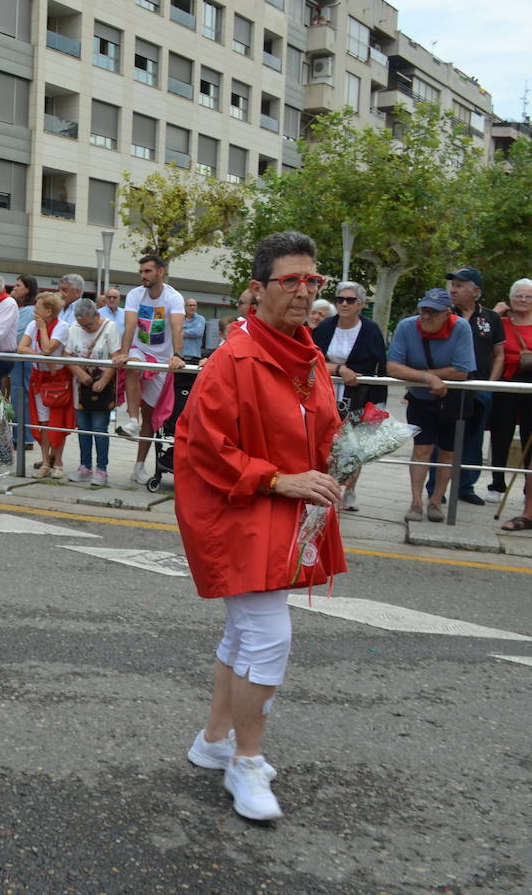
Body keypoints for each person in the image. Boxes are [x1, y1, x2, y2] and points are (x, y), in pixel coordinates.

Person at [176, 231, 346, 822]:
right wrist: (282, 480)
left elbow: (319, 426)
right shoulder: (233, 358)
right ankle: (245, 762)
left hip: (275, 506)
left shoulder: (306, 350)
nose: (304, 292)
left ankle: (215, 741)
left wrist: (339, 462)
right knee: (268, 636)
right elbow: (204, 447)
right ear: (257, 289)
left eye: (312, 281)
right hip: (238, 510)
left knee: (246, 632)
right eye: (290, 280)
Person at [385, 288, 476, 523]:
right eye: (424, 310)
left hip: (452, 399)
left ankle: (436, 500)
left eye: (433, 312)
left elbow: (461, 370)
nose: (426, 316)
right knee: (421, 449)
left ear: (447, 313)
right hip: (421, 397)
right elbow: (393, 367)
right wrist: (427, 378)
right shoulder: (407, 326)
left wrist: (421, 374)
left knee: (448, 451)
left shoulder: (460, 327)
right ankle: (416, 502)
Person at [310, 281, 388, 512]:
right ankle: (326, 489)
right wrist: (338, 369)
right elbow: (311, 358)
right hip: (326, 391)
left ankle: (349, 489)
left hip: (359, 394)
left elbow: (380, 366)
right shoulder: (324, 327)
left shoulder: (371, 330)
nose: (344, 304)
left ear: (361, 304)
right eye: (340, 299)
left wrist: (378, 407)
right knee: (326, 443)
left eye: (350, 300)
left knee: (353, 446)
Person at [112, 254, 186, 484]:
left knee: (151, 419)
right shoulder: (135, 294)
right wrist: (124, 352)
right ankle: (131, 420)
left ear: (161, 271)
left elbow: (176, 327)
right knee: (132, 364)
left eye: (148, 271)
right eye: (141, 272)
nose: (143, 276)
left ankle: (139, 466)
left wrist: (177, 355)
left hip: (162, 360)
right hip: (140, 350)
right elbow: (131, 324)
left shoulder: (174, 297)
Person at [433, 268, 504, 507]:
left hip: (478, 387)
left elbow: (499, 354)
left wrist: (489, 386)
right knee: (440, 440)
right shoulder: (441, 313)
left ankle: (466, 487)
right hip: (446, 387)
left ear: (476, 291)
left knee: (473, 441)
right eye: (453, 285)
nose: (454, 289)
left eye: (461, 285)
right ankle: (436, 490)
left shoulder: (491, 318)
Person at [489, 278, 532, 513]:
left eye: (528, 296)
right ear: (510, 298)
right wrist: (495, 312)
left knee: (529, 436)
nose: (523, 300)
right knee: (500, 433)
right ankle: (496, 483)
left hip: (531, 386)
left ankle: (529, 487)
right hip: (506, 382)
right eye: (518, 295)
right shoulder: (500, 322)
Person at [18, 292, 72, 478]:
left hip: (58, 380)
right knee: (43, 422)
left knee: (57, 422)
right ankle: (46, 462)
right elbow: (21, 348)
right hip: (40, 377)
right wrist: (42, 357)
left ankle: (58, 463)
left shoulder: (62, 326)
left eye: (38, 307)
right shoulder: (33, 324)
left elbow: (49, 348)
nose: (35, 310)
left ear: (49, 311)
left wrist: (42, 330)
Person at [66, 298, 119, 486]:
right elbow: (68, 355)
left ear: (97, 315)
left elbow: (116, 357)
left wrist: (104, 380)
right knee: (83, 428)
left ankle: (101, 469)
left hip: (102, 388)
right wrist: (81, 375)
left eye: (88, 324)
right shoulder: (75, 328)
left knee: (99, 428)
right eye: (83, 326)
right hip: (81, 387)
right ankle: (84, 466)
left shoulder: (110, 327)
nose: (86, 329)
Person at [10, 275, 39, 448]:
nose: (15, 288)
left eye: (18, 285)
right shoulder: (18, 308)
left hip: (22, 360)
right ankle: (18, 435)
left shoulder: (29, 311)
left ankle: (25, 437)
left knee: (22, 397)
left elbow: (18, 334)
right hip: (15, 360)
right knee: (16, 397)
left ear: (27, 289)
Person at [181, 297, 207, 364]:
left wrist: (183, 332)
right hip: (180, 357)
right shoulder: (180, 319)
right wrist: (190, 333)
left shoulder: (200, 319)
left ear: (196, 307)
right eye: (190, 305)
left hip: (194, 358)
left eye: (194, 305)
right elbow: (175, 333)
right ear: (185, 307)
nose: (192, 307)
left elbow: (197, 332)